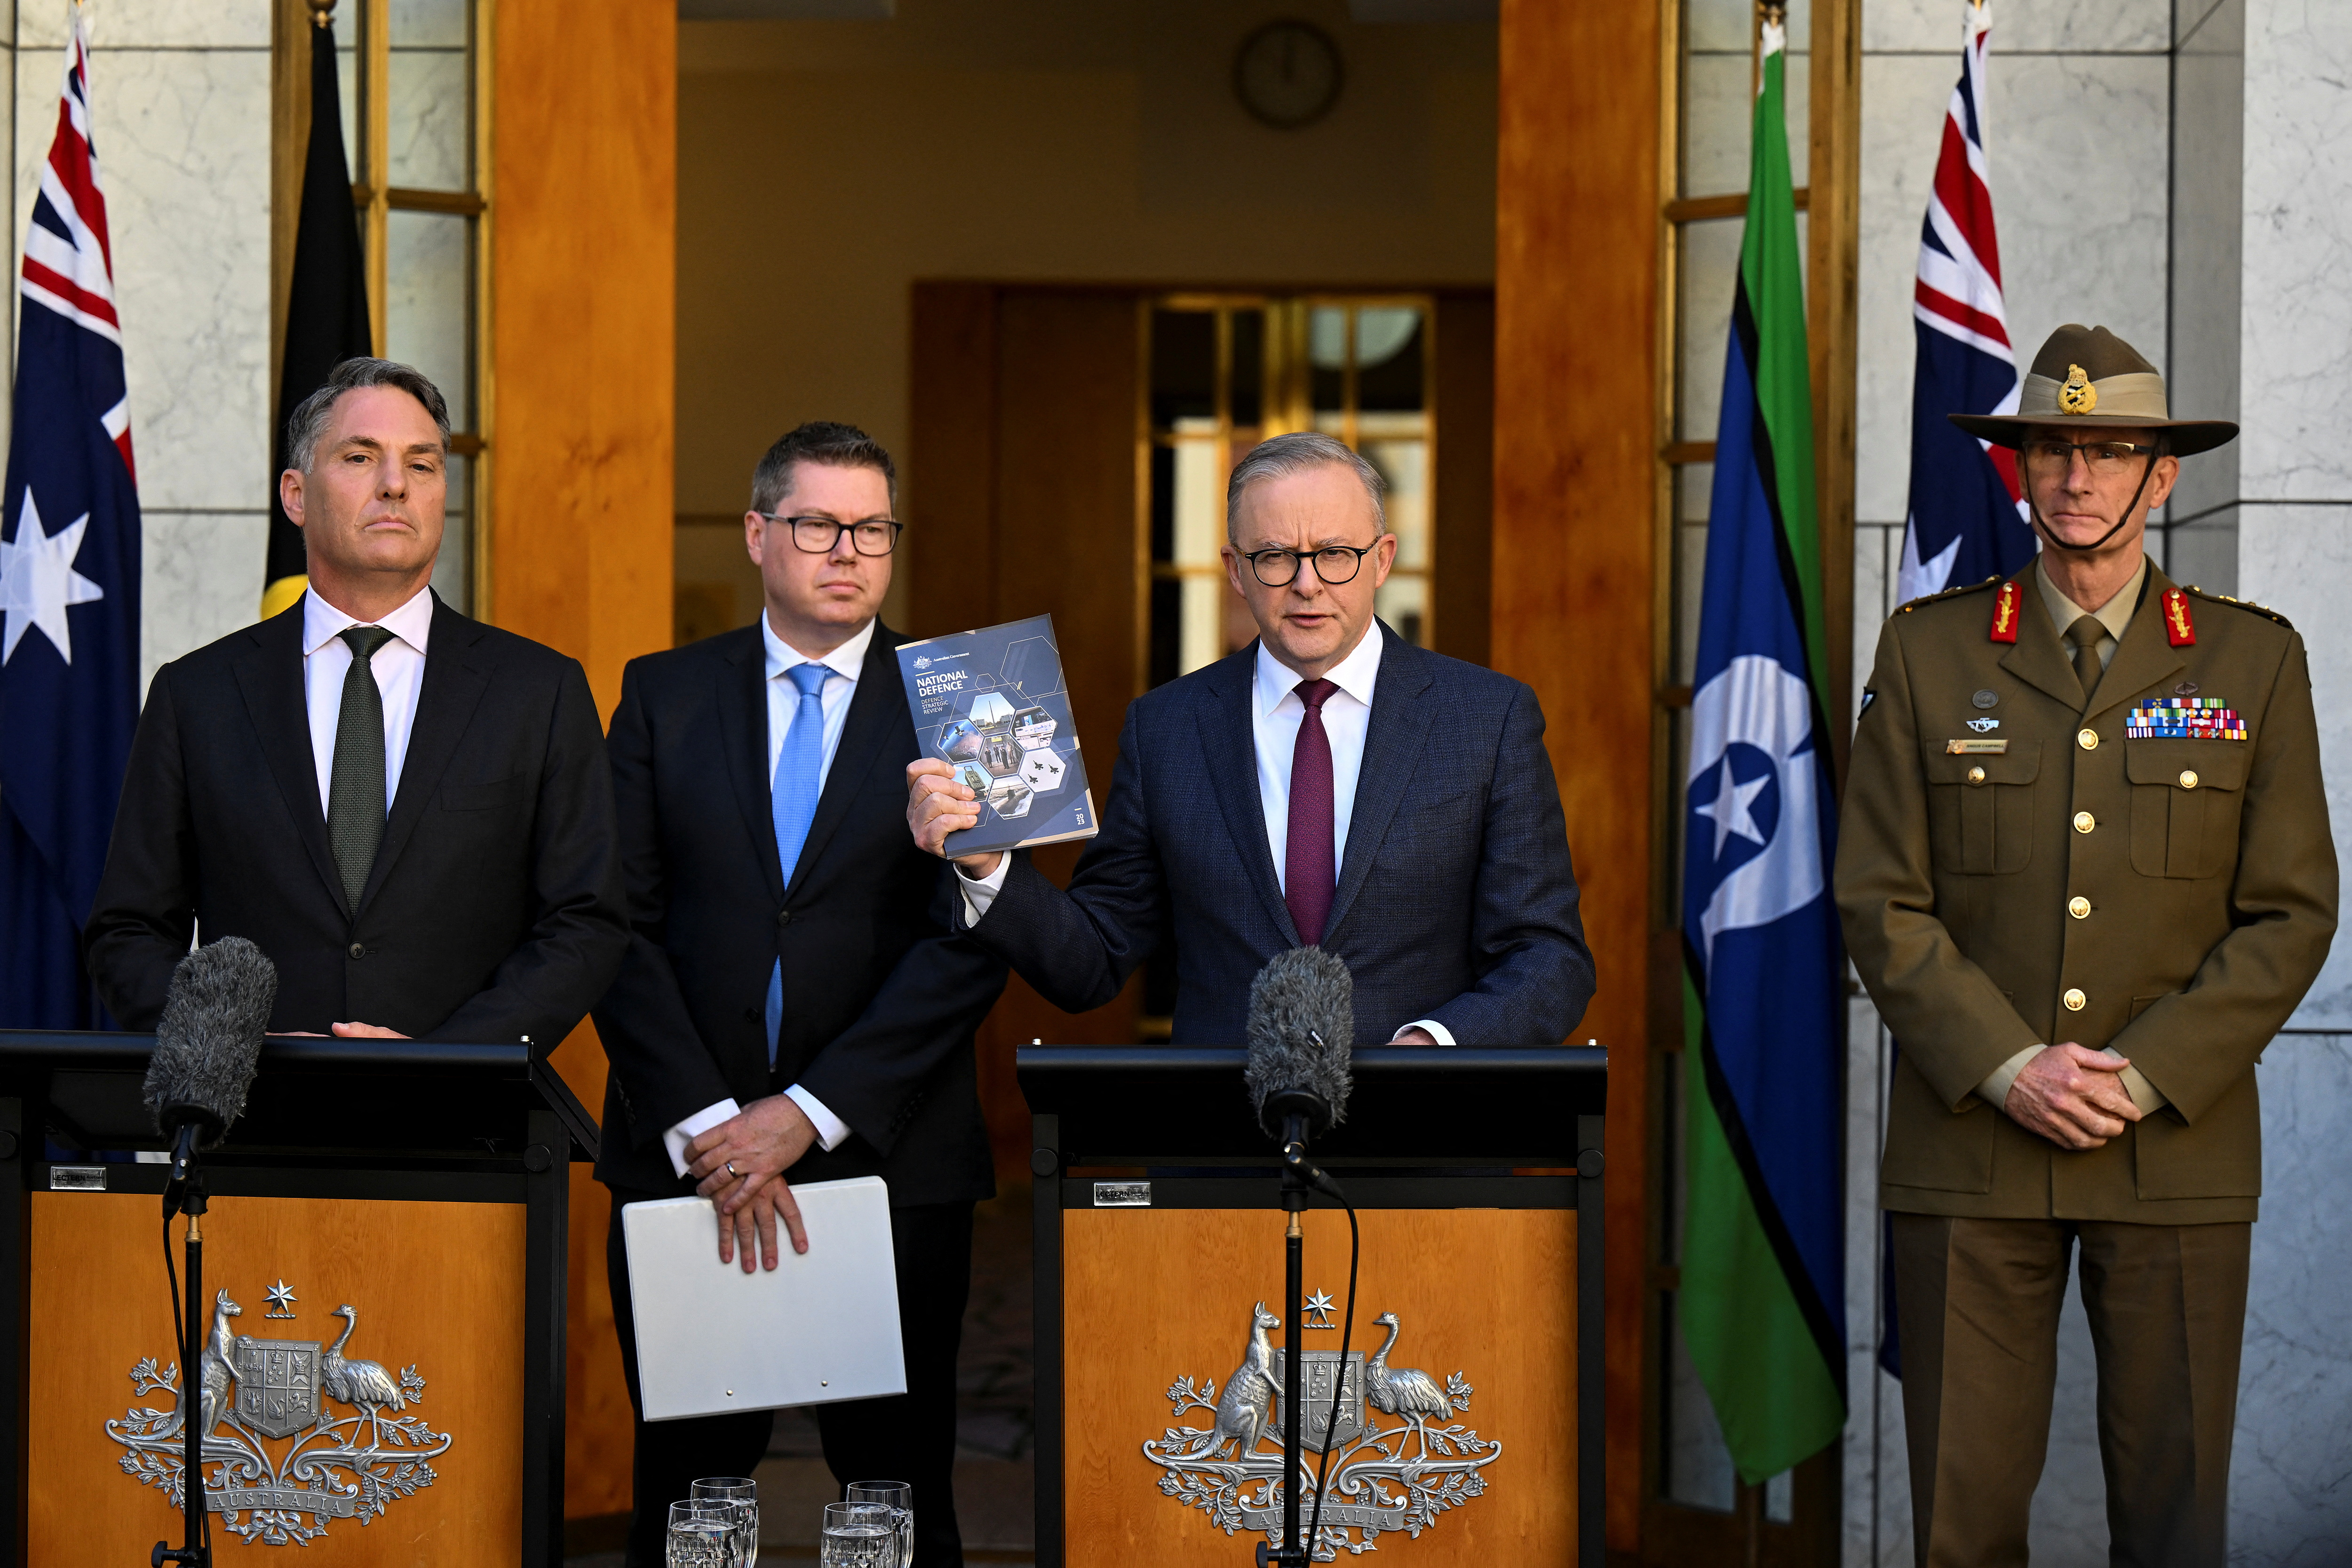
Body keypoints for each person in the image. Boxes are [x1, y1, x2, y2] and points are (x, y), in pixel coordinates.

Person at [1836, 324, 2336, 1567]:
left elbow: (2291, 910)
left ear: (2161, 475)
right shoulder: (1928, 648)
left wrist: (2144, 1071)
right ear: (2018, 468)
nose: (2078, 476)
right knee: (1960, 1528)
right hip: (1973, 1144)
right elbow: (1879, 897)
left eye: (2110, 449)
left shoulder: (2253, 658)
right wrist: (2014, 1067)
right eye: (2054, 448)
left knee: (2175, 1523)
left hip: (2173, 1146)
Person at [592, 422, 1006, 1568]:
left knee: (894, 1498)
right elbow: (613, 923)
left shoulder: (966, 699)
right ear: (757, 533)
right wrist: (711, 1126)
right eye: (819, 524)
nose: (848, 551)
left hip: (891, 1154)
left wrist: (806, 1114)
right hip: (691, 1157)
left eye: (873, 528)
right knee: (688, 1500)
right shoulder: (663, 694)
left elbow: (973, 939)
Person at [906, 430, 1593, 1044]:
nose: (1307, 584)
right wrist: (986, 865)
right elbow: (1091, 961)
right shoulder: (1166, 729)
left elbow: (1549, 959)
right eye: (1275, 557)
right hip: (1225, 1134)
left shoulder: (1487, 719)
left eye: (1335, 554)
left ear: (1383, 560)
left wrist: (1433, 1048)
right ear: (1235, 570)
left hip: (1419, 1132)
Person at [84, 357, 627, 1046]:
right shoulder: (197, 695)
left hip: (465, 1109)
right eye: (361, 457)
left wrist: (444, 1062)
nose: (396, 484)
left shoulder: (539, 692)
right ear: (295, 494)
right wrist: (236, 1051)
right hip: (257, 1106)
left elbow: (585, 922)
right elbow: (128, 931)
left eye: (422, 465)